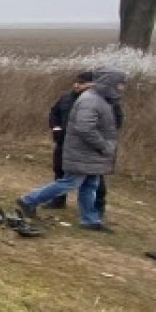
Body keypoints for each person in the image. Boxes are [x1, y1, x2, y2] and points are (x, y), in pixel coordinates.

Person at [16, 68, 127, 231]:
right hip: (83, 151)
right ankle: (29, 200)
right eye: (120, 84)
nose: (122, 88)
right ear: (109, 83)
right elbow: (84, 128)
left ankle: (89, 220)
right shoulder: (91, 100)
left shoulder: (102, 99)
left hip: (91, 153)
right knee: (70, 182)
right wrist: (103, 145)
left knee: (90, 184)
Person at [46, 71, 96, 209]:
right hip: (63, 141)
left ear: (92, 84)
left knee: (90, 178)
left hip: (84, 145)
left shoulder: (97, 101)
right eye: (76, 82)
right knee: (59, 170)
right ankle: (58, 201)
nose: (76, 85)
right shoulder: (66, 98)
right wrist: (55, 128)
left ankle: (93, 208)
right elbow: (54, 112)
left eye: (81, 83)